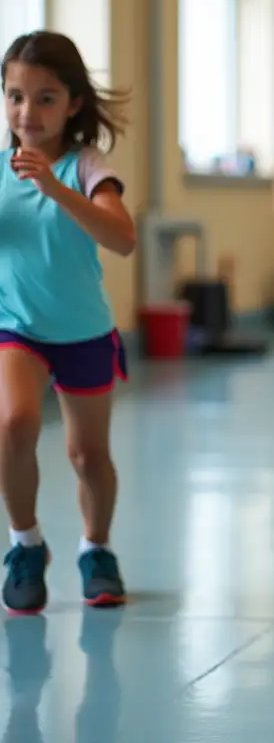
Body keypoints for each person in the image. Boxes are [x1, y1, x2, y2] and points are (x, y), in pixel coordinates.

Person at [0, 30, 135, 614]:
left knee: (89, 457)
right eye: (14, 96)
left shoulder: (86, 166)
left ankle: (95, 549)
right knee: (13, 423)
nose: (27, 112)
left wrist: (55, 187)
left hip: (82, 331)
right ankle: (26, 544)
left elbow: (122, 238)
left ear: (74, 102)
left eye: (45, 97)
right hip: (16, 326)